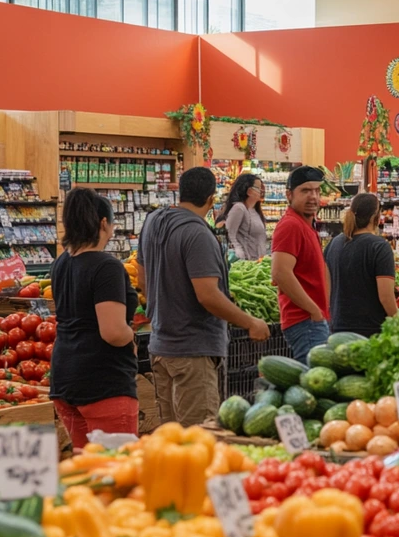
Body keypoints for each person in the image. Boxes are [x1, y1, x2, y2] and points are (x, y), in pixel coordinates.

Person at [139, 167, 269, 426]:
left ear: (180, 191)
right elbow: (208, 295)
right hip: (193, 353)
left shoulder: (153, 222)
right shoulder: (198, 234)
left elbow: (143, 280)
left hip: (161, 347)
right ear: (211, 200)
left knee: (172, 440)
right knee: (200, 436)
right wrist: (250, 322)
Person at [50, 189, 138, 447]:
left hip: (65, 376)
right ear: (103, 223)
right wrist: (132, 336)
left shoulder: (61, 263)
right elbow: (112, 332)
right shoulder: (106, 266)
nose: (112, 230)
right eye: (111, 224)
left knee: (86, 472)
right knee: (115, 474)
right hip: (103, 383)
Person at [272, 166, 331, 362]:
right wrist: (314, 311)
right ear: (289, 195)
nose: (313, 197)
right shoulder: (291, 225)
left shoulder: (306, 224)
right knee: (315, 384)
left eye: (316, 190)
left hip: (313, 320)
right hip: (305, 321)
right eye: (305, 191)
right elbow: (280, 273)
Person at [323, 193, 398, 336]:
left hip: (337, 329)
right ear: (374, 217)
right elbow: (386, 297)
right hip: (370, 332)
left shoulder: (334, 243)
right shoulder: (379, 247)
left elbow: (326, 288)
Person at [219, 173, 268, 261]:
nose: (261, 191)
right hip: (245, 263)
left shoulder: (254, 210)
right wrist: (240, 255)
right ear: (249, 191)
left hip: (257, 262)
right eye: (258, 188)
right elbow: (230, 234)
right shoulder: (239, 208)